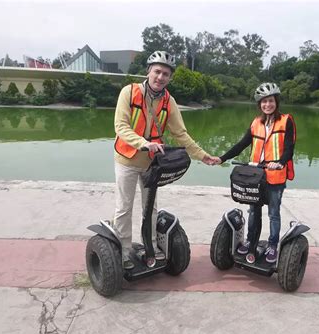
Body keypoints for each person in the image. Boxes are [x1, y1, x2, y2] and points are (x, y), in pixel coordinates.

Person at [113, 50, 217, 270]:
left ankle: (149, 247)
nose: (160, 77)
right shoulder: (129, 92)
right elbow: (120, 127)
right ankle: (122, 252)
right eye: (157, 71)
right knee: (124, 208)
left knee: (150, 209)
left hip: (152, 163)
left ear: (170, 78)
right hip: (127, 160)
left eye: (166, 74)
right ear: (148, 71)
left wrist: (202, 155)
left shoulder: (169, 101)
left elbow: (181, 134)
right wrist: (143, 143)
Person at [215, 82, 296, 263]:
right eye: (264, 102)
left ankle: (273, 245)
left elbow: (289, 148)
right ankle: (251, 241)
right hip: (255, 177)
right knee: (253, 211)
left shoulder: (286, 120)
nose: (267, 105)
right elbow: (242, 145)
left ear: (276, 102)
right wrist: (222, 158)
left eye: (271, 101)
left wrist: (280, 163)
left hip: (275, 176)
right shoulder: (256, 123)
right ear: (259, 104)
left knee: (273, 213)